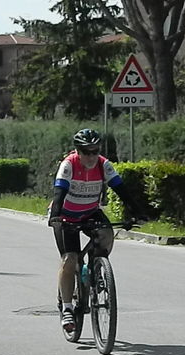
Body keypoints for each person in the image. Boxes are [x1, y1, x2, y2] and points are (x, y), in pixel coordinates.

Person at [48, 128, 143, 332]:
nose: (91, 156)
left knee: (107, 233)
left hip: (90, 212)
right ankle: (67, 308)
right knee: (70, 258)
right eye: (86, 152)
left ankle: (96, 269)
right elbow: (59, 194)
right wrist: (56, 216)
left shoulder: (103, 164)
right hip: (66, 214)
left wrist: (137, 212)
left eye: (95, 151)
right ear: (78, 151)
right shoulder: (69, 165)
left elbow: (122, 190)